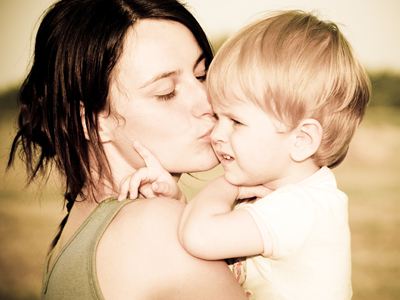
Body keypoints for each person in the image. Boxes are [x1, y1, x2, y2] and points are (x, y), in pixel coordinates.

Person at [121, 10, 371, 300]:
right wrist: (175, 200)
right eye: (218, 115)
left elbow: (200, 236)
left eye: (236, 121)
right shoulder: (288, 196)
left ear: (301, 140)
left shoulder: (299, 208)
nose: (216, 133)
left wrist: (227, 185)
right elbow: (213, 232)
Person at [7, 0, 248, 299]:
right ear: (91, 123)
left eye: (201, 75)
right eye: (166, 92)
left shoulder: (74, 234)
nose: (208, 102)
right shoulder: (157, 228)